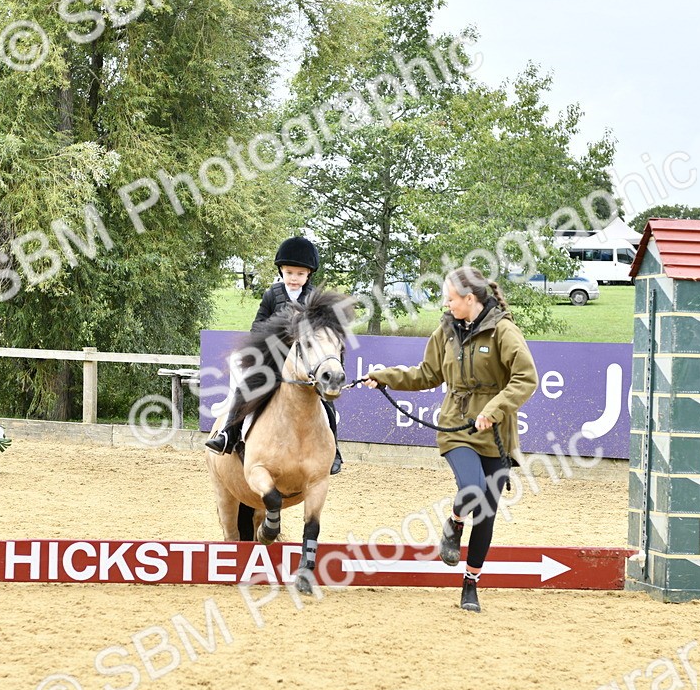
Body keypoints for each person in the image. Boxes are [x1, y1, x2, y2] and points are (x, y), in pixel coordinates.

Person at [363, 266, 538, 612]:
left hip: (496, 433)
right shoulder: (445, 331)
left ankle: (470, 584)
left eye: (450, 299)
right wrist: (384, 376)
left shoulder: (503, 330)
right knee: (472, 490)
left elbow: (525, 377)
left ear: (470, 299)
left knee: (486, 513)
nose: (446, 305)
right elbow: (426, 374)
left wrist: (494, 409)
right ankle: (455, 523)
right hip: (456, 425)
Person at [205, 236, 344, 474]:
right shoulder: (272, 294)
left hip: (304, 365)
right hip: (273, 360)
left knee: (326, 403)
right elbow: (257, 325)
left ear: (309, 274)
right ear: (281, 270)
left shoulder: (315, 300)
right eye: (289, 272)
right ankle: (228, 434)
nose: (294, 278)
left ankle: (335, 450)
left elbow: (327, 333)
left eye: (300, 274)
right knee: (245, 387)